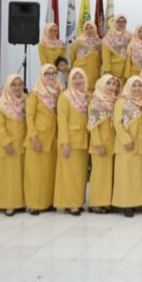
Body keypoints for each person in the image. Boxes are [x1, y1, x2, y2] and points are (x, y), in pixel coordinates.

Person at [24, 64, 61, 214]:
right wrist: (33, 137)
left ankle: (48, 202)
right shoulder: (35, 94)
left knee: (48, 173)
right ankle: (34, 204)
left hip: (53, 138)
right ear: (42, 76)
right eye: (48, 74)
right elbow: (29, 117)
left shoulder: (59, 92)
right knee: (35, 173)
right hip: (38, 139)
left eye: (54, 73)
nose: (51, 77)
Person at [54, 68, 89, 216]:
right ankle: (69, 204)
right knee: (69, 173)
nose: (78, 81)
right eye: (74, 78)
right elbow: (61, 121)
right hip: (70, 141)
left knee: (79, 174)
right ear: (69, 80)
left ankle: (78, 201)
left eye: (81, 77)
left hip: (83, 141)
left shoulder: (87, 96)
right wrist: (65, 143)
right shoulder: (65, 97)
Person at [112, 76, 142, 217]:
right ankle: (125, 204)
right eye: (134, 85)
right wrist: (126, 139)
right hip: (125, 144)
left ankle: (136, 202)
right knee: (125, 175)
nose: (137, 89)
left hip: (139, 144)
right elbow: (117, 123)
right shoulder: (121, 102)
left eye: (139, 86)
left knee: (136, 175)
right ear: (128, 87)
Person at [0, 74, 27, 216]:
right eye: (13, 85)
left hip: (22, 145)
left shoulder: (25, 101)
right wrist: (6, 143)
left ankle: (20, 203)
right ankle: (8, 204)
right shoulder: (1, 105)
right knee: (8, 177)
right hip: (8, 147)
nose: (17, 88)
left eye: (20, 84)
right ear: (8, 86)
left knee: (20, 176)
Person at [87, 75, 117, 214]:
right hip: (100, 145)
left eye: (113, 84)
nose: (112, 86)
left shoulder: (113, 101)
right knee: (99, 175)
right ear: (101, 85)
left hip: (111, 144)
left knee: (107, 175)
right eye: (108, 83)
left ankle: (105, 202)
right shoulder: (96, 102)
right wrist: (98, 144)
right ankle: (95, 203)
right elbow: (92, 126)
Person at [70, 21, 101, 90]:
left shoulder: (100, 43)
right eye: (86, 28)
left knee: (92, 90)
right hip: (80, 71)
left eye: (91, 28)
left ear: (95, 29)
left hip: (94, 71)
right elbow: (72, 57)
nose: (89, 30)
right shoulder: (78, 42)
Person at [101, 15, 132, 80]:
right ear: (115, 22)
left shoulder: (129, 36)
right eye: (119, 22)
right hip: (112, 70)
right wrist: (107, 70)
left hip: (125, 70)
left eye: (123, 22)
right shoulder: (109, 37)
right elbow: (105, 56)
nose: (121, 24)